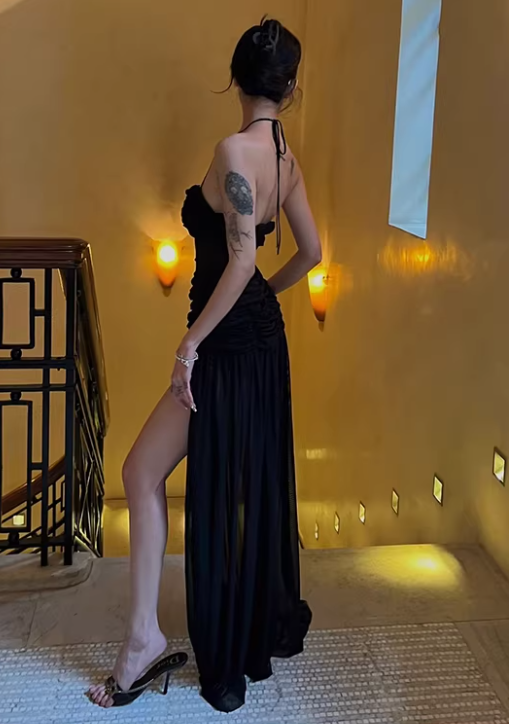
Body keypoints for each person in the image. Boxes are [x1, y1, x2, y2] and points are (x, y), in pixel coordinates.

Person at [88, 16, 321, 713]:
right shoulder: (284, 159)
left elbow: (242, 260)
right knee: (221, 481)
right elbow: (310, 255)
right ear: (291, 88)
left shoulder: (232, 149)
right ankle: (149, 637)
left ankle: (143, 643)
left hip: (222, 346)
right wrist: (264, 298)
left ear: (235, 78)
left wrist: (189, 345)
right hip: (261, 340)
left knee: (140, 472)